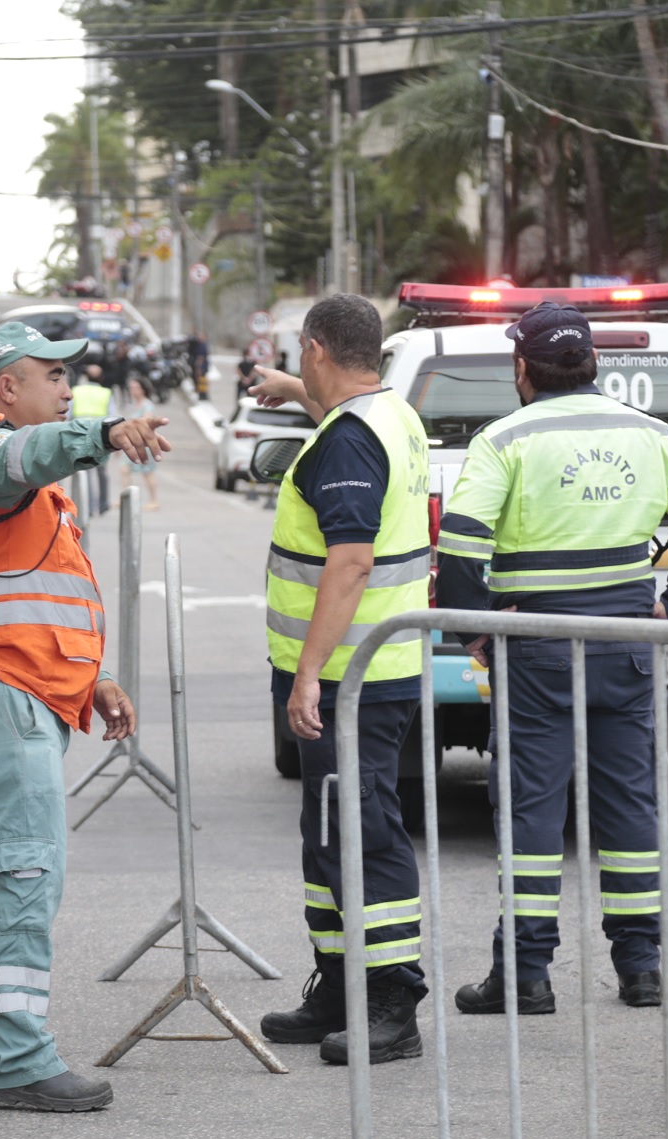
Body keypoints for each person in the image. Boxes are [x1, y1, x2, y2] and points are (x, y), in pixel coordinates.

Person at [436, 302, 668, 1014]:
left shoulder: (503, 440)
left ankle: (526, 975)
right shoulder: (652, 434)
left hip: (536, 648)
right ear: (594, 362)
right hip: (625, 643)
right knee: (628, 804)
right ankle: (641, 968)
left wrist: (475, 628)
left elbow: (461, 546)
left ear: (521, 369)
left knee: (532, 810)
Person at [0, 320, 172, 1111]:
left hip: (5, 687)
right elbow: (26, 454)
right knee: (23, 873)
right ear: (5, 387)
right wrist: (101, 431)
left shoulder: (33, 490)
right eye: (51, 376)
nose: (66, 388)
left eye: (70, 378)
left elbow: (34, 598)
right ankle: (19, 1058)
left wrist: (92, 678)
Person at [246, 294, 433, 1065]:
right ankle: (338, 981)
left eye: (300, 355)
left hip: (352, 676)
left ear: (316, 347)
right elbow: (340, 408)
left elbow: (350, 562)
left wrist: (308, 677)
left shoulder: (350, 443)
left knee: (362, 832)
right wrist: (293, 391)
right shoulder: (391, 413)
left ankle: (393, 997)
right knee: (328, 831)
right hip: (370, 670)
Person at [70, 364, 114, 516]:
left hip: (81, 434)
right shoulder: (106, 393)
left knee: (86, 471)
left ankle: (88, 506)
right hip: (102, 435)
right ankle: (103, 504)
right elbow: (112, 416)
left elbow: (68, 414)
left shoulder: (76, 391)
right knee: (102, 471)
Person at [121, 374, 160, 511]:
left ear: (143, 389)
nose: (133, 391)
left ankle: (154, 500)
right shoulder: (133, 405)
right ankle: (126, 499)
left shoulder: (147, 405)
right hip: (131, 443)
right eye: (131, 388)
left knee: (147, 472)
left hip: (144, 443)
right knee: (124, 469)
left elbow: (146, 422)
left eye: (136, 388)